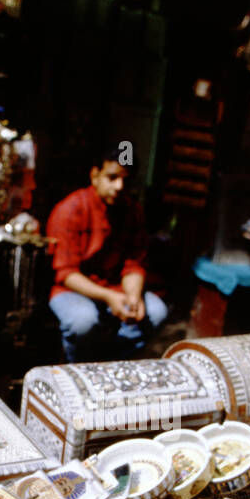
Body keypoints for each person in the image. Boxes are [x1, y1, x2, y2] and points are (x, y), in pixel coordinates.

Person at [46, 147, 167, 362]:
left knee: (156, 312)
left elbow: (134, 264)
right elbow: (66, 273)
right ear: (95, 176)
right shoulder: (70, 209)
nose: (119, 187)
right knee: (83, 320)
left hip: (115, 288)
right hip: (74, 290)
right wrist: (109, 297)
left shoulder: (133, 211)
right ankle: (76, 368)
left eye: (126, 181)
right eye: (112, 178)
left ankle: (114, 363)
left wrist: (133, 296)